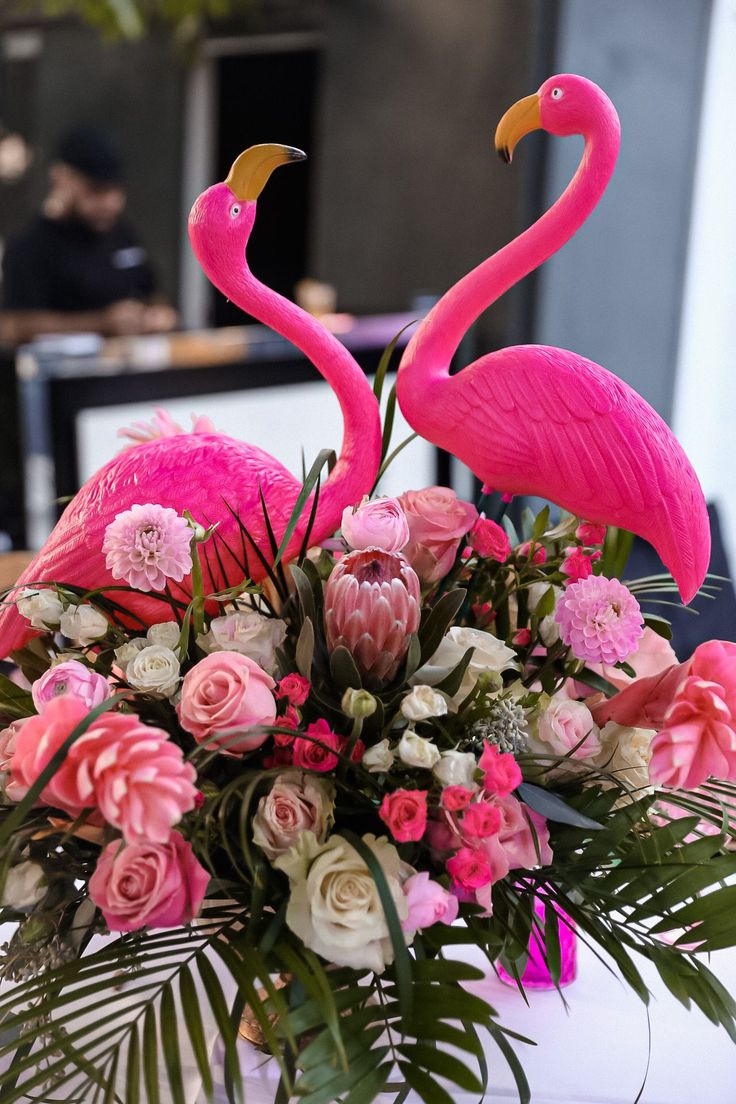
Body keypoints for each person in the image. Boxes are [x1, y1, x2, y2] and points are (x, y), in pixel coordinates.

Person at [0, 125, 178, 344]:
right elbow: (13, 327)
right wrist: (101, 324)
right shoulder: (28, 246)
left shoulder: (122, 234)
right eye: (96, 189)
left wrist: (158, 315)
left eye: (117, 190)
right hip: (65, 375)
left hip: (130, 373)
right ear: (61, 178)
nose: (111, 203)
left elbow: (152, 293)